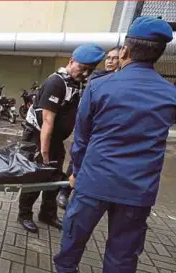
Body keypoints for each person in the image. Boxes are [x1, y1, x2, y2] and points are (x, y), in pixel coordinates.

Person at [54, 16, 175, 273]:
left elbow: (81, 138)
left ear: (126, 51)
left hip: (94, 180)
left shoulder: (99, 87)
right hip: (138, 189)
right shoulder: (170, 94)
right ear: (159, 54)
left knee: (71, 246)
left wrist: (75, 171)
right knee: (122, 258)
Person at [18, 43, 106, 234]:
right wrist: (44, 152)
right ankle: (24, 214)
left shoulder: (74, 83)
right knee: (36, 177)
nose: (84, 73)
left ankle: (47, 214)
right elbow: (47, 120)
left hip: (54, 140)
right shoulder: (56, 82)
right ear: (71, 61)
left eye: (88, 71)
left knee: (55, 177)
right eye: (82, 68)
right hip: (38, 138)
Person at [56, 46, 122, 209]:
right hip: (91, 129)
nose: (110, 61)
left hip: (109, 131)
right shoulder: (97, 78)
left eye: (115, 58)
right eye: (108, 58)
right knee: (78, 158)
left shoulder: (122, 80)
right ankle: (65, 191)